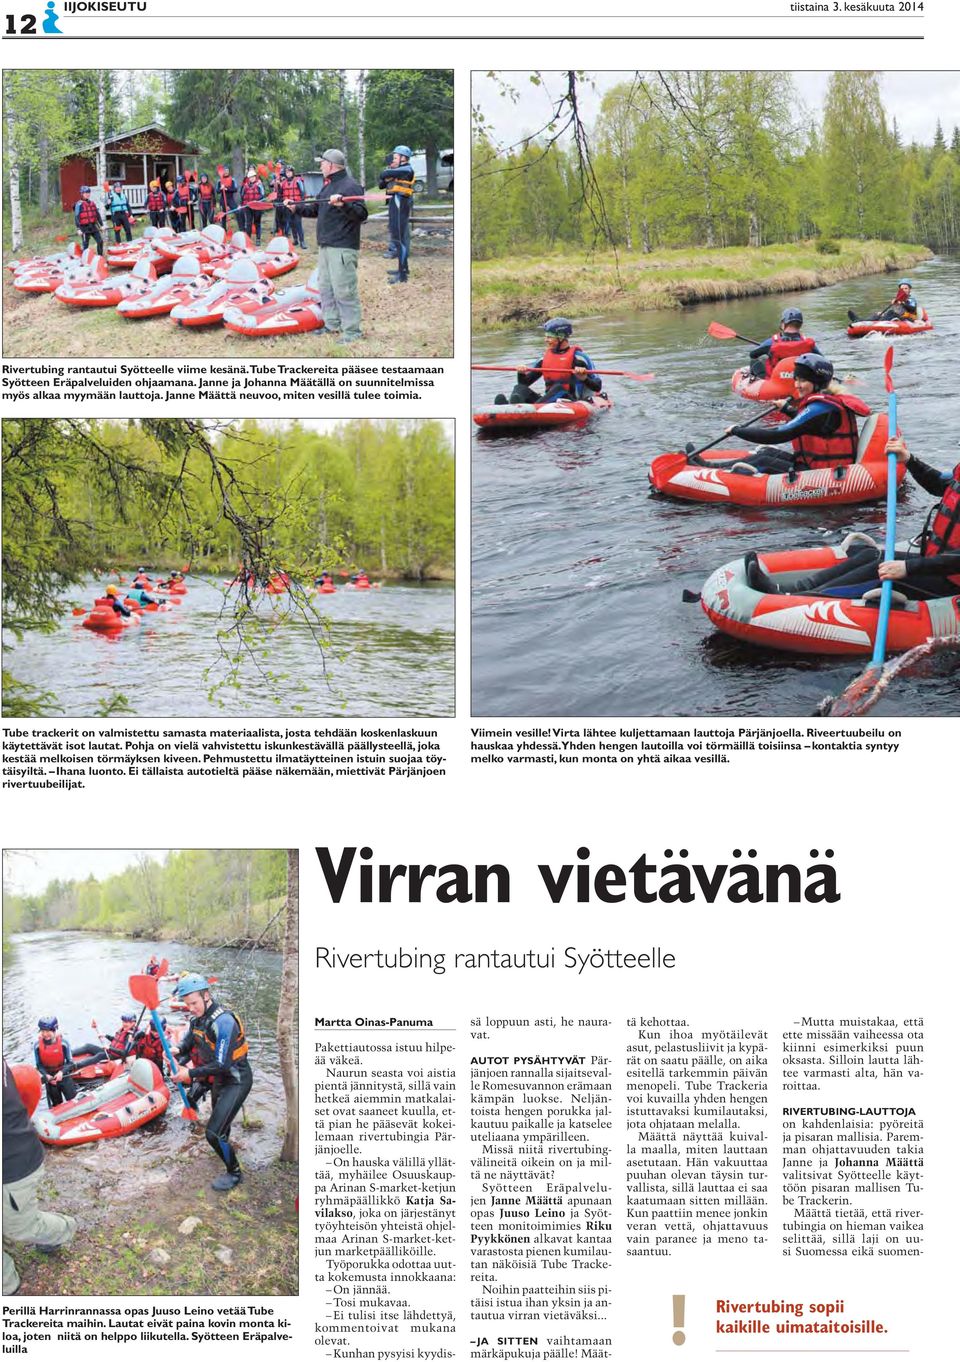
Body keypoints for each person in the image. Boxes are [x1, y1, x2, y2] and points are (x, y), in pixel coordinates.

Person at [748, 437, 960, 599]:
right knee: (871, 556)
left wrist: (907, 568)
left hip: (951, 580)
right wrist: (910, 460)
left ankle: (797, 600)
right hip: (938, 564)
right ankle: (793, 589)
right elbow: (939, 485)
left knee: (878, 572)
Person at [690, 353, 870, 476]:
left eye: (803, 380)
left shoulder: (821, 408)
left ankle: (710, 470)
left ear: (817, 382)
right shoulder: (829, 401)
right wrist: (787, 409)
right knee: (767, 453)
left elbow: (778, 434)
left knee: (764, 460)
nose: (798, 385)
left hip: (824, 473)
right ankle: (710, 466)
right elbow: (810, 425)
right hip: (816, 464)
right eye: (796, 380)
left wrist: (738, 430)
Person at [170, 974, 252, 1191]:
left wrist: (190, 1074)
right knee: (220, 1128)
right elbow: (190, 1040)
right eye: (187, 1005)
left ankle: (234, 1172)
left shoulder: (224, 1022)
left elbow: (222, 1064)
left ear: (206, 996)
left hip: (236, 1080)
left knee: (213, 1133)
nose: (191, 1008)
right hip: (219, 1080)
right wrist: (177, 1050)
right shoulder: (198, 1018)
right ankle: (225, 1147)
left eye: (194, 1003)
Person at [3, 1059, 77, 1296]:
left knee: (22, 1227)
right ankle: (6, 1284)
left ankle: (65, 1228)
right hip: (16, 1150)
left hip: (13, 1164)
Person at [295, 149, 368, 344]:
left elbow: (361, 215)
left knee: (344, 290)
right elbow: (315, 210)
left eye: (322, 163)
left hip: (342, 247)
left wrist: (343, 205)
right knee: (325, 288)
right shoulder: (327, 188)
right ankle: (332, 324)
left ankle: (352, 331)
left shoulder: (351, 186)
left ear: (331, 165)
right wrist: (295, 208)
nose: (320, 166)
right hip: (326, 246)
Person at [496, 317, 603, 406]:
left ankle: (530, 409)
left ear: (561, 337)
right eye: (546, 337)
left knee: (559, 387)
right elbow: (524, 383)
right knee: (519, 388)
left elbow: (597, 386)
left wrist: (584, 378)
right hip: (549, 402)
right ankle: (509, 407)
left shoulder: (580, 358)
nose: (546, 340)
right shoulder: (544, 359)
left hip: (571, 401)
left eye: (549, 337)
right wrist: (521, 373)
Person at [747, 307, 821, 378]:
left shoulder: (772, 342)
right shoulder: (808, 343)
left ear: (783, 324)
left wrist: (768, 353)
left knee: (755, 361)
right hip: (801, 379)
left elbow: (753, 354)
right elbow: (821, 359)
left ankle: (759, 381)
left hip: (777, 381)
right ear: (800, 324)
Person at [378, 145, 416, 284]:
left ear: (403, 158)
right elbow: (381, 182)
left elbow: (384, 174)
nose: (392, 160)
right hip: (395, 202)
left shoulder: (407, 169)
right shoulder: (396, 170)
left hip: (401, 202)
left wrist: (388, 173)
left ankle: (402, 274)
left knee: (399, 238)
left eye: (395, 157)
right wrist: (388, 174)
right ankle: (403, 268)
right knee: (396, 236)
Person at [33, 1019, 77, 1108]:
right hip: (50, 1079)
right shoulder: (37, 1045)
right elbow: (39, 1065)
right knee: (57, 1106)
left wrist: (61, 1072)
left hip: (64, 1075)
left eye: (48, 1031)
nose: (45, 1034)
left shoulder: (64, 1043)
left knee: (73, 1101)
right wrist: (46, 1075)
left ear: (54, 1030)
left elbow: (70, 1062)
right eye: (42, 1031)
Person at [70, 1013, 139, 1065]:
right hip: (110, 1052)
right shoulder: (124, 1030)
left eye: (126, 1022)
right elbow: (117, 1040)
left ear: (133, 1023)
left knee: (100, 1055)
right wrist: (105, 1035)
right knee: (88, 1046)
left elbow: (124, 1053)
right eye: (123, 1022)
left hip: (116, 1057)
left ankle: (76, 1065)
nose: (124, 1024)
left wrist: (109, 1048)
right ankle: (68, 1054)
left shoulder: (130, 1036)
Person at [850, 279, 919, 325]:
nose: (904, 290)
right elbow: (896, 310)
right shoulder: (897, 299)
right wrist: (893, 304)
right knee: (878, 314)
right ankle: (860, 320)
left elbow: (912, 309)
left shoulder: (911, 299)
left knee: (891, 312)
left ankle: (877, 324)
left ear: (910, 289)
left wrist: (902, 303)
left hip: (908, 319)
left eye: (906, 288)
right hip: (898, 317)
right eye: (902, 289)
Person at [279, 165, 306, 247]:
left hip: (297, 205)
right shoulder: (283, 183)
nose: (288, 173)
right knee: (291, 223)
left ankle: (302, 241)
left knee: (298, 223)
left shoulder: (298, 181)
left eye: (290, 172)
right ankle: (295, 240)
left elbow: (302, 193)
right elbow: (280, 195)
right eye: (287, 172)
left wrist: (301, 204)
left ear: (293, 172)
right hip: (287, 206)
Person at [73, 186, 104, 255]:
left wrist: (101, 225)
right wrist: (78, 229)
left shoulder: (92, 203)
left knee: (100, 241)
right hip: (84, 227)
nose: (87, 194)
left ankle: (100, 256)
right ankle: (85, 259)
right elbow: (76, 217)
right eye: (85, 193)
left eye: (88, 192)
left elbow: (97, 215)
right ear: (82, 194)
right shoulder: (79, 204)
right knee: (85, 245)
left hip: (93, 226)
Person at [239, 167, 265, 244]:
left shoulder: (259, 184)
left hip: (257, 206)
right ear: (248, 178)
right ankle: (248, 239)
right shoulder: (245, 185)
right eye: (250, 177)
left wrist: (256, 201)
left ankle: (258, 239)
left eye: (253, 177)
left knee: (257, 222)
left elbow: (262, 195)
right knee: (248, 223)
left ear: (255, 177)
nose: (251, 179)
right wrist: (243, 204)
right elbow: (242, 196)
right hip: (248, 207)